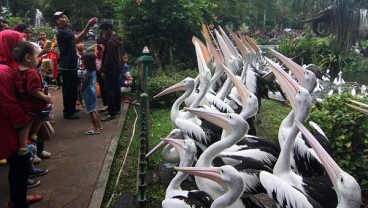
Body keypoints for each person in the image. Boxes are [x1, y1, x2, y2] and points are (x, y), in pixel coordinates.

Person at [0, 30, 42, 208]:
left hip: (13, 127)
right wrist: (28, 120)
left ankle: (16, 199)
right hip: (9, 128)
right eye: (19, 43)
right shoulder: (3, 71)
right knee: (20, 166)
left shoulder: (11, 68)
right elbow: (8, 104)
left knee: (19, 167)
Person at [53, 10, 97, 119]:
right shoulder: (62, 32)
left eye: (66, 16)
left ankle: (71, 108)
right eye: (63, 17)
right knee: (69, 89)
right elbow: (78, 38)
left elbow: (76, 41)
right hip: (67, 66)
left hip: (70, 65)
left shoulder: (66, 31)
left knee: (72, 89)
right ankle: (68, 112)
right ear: (58, 21)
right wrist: (88, 25)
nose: (67, 18)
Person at [12, 41, 53, 157]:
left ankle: (23, 146)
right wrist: (46, 97)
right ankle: (34, 135)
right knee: (44, 113)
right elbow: (33, 90)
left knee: (25, 126)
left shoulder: (16, 71)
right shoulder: (32, 72)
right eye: (36, 56)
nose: (38, 59)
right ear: (28, 57)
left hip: (24, 105)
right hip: (35, 105)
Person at [99, 22, 124, 121]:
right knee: (116, 89)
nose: (103, 33)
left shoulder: (111, 42)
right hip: (117, 68)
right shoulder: (117, 39)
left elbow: (109, 58)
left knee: (109, 91)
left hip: (111, 69)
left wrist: (104, 70)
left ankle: (111, 113)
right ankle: (117, 109)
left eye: (104, 31)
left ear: (109, 29)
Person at [80, 52, 102, 134]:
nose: (82, 62)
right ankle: (98, 126)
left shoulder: (86, 72)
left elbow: (84, 84)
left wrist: (81, 90)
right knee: (94, 109)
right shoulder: (93, 70)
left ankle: (96, 129)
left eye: (83, 61)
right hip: (93, 91)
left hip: (88, 92)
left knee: (91, 110)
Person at [94, 44, 108, 111]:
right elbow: (96, 56)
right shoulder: (97, 48)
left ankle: (108, 104)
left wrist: (103, 71)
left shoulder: (105, 48)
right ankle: (105, 104)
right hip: (98, 72)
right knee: (102, 87)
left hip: (104, 71)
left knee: (106, 87)